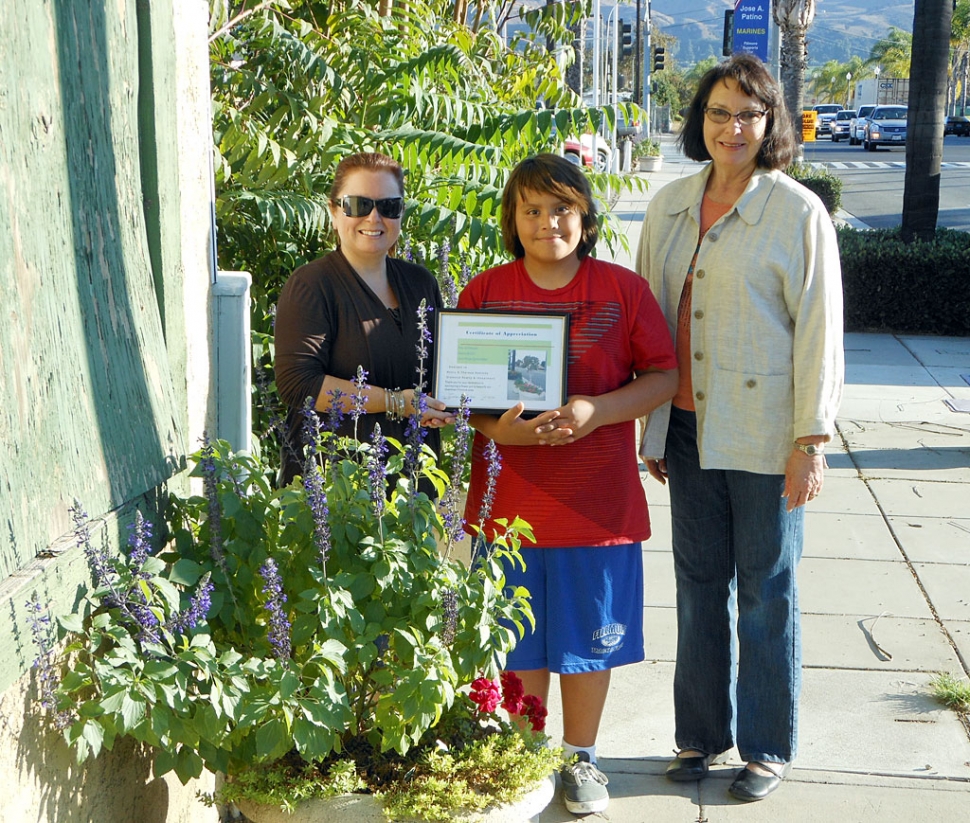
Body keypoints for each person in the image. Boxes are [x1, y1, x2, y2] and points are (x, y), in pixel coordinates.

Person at [636, 53, 844, 802]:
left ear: (770, 123)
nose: (733, 127)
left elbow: (821, 332)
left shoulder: (795, 212)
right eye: (719, 112)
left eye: (749, 114)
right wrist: (652, 426)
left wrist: (810, 440)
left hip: (765, 433)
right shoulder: (667, 206)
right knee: (697, 587)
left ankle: (763, 745)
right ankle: (698, 736)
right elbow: (647, 325)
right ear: (700, 120)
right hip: (688, 432)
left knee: (766, 591)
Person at [458, 154, 678, 815]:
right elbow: (468, 393)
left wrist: (595, 410)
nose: (547, 222)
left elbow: (663, 375)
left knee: (587, 642)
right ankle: (528, 761)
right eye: (531, 209)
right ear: (512, 219)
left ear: (585, 218)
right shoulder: (486, 293)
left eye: (562, 209)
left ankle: (581, 759)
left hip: (595, 507)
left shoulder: (621, 291)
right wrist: (500, 430)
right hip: (510, 508)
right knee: (518, 641)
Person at [275, 152, 453, 485]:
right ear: (333, 211)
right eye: (358, 205)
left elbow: (445, 372)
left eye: (388, 207)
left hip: (413, 489)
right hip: (336, 494)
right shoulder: (312, 286)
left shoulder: (421, 282)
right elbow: (299, 385)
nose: (373, 218)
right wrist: (396, 403)